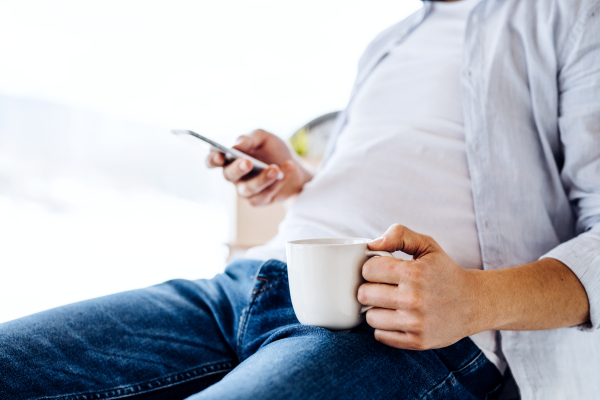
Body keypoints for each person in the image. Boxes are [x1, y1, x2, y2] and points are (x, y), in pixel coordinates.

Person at [1, 0, 599, 399]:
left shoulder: (570, 14)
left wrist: (474, 301)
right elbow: (415, 172)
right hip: (249, 284)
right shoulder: (393, 38)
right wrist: (302, 174)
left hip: (400, 334)